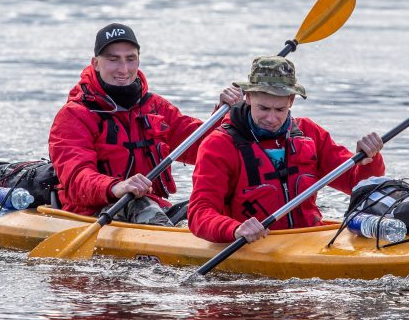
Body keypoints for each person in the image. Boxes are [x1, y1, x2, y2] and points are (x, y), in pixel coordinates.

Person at [49, 23, 241, 225]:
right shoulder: (73, 115)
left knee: (207, 206)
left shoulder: (155, 107)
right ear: (95, 63)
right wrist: (116, 187)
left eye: (130, 59)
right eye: (113, 60)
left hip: (152, 206)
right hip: (90, 213)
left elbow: (203, 147)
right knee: (139, 203)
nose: (124, 69)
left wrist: (228, 114)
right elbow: (76, 178)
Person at [189, 56, 385, 243]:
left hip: (307, 239)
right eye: (264, 108)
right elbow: (199, 212)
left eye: (280, 110)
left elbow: (361, 188)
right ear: (247, 98)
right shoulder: (219, 144)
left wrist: (369, 160)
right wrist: (234, 229)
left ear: (291, 101)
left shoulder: (310, 133)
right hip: (253, 243)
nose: (272, 119)